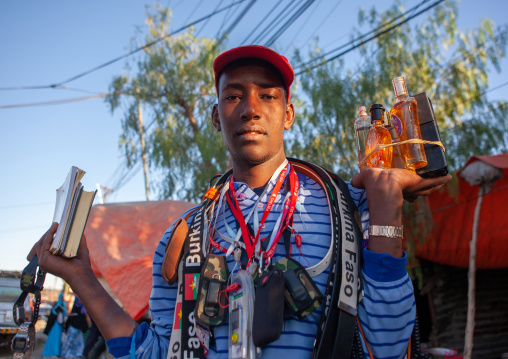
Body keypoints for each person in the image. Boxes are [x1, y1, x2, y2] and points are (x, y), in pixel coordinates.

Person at [29, 45, 451, 359]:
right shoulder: (184, 238)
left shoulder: (348, 209)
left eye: (268, 96)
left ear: (287, 114)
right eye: (233, 96)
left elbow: (390, 346)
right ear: (216, 116)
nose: (250, 109)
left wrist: (387, 204)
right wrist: (80, 277)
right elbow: (153, 353)